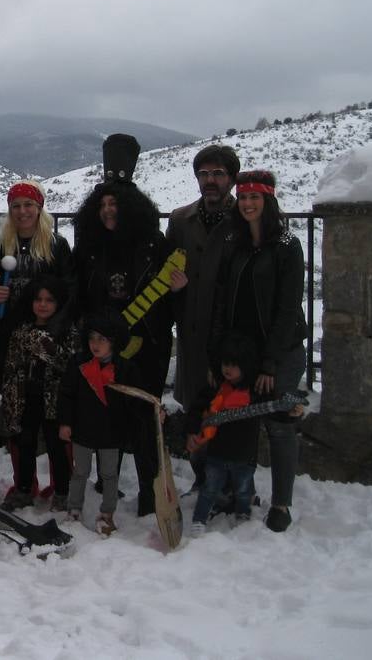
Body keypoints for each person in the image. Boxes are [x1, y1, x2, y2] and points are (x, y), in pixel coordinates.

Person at [73, 134, 179, 516]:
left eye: (114, 203)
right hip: (102, 344)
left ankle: (153, 490)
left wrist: (177, 288)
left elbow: (172, 292)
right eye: (102, 204)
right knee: (105, 413)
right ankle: (107, 482)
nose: (107, 211)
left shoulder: (153, 244)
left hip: (147, 343)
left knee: (146, 416)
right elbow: (81, 295)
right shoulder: (88, 246)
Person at [212, 169, 306, 533]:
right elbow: (223, 301)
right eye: (244, 197)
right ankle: (241, 491)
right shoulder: (235, 244)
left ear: (268, 202)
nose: (249, 203)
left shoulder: (286, 246)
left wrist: (270, 362)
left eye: (256, 197)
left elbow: (287, 309)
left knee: (281, 426)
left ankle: (281, 503)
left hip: (278, 352)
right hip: (242, 352)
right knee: (241, 424)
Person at [0, 178, 75, 498]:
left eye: (29, 205)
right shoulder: (0, 246)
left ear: (40, 209)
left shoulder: (56, 246)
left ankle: (61, 486)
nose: (23, 211)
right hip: (10, 342)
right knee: (17, 417)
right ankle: (25, 484)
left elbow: (68, 293)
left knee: (54, 418)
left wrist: (56, 331)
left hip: (48, 343)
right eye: (16, 206)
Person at [167, 144, 240, 491]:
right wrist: (174, 289)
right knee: (196, 407)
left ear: (231, 178)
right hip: (192, 330)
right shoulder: (181, 220)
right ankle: (202, 478)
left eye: (218, 174)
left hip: (229, 334)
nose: (210, 181)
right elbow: (167, 270)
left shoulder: (245, 217)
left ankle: (228, 483)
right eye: (204, 174)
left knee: (228, 407)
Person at [1, 275, 80, 511]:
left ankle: (63, 492)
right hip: (26, 397)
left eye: (49, 300)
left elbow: (69, 364)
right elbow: (11, 365)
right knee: (25, 444)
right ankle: (24, 489)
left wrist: (45, 346)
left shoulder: (67, 332)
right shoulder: (21, 330)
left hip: (56, 400)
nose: (43, 305)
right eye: (38, 299)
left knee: (57, 447)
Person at [58, 314, 132, 537]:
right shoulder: (78, 363)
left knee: (109, 474)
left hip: (111, 432)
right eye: (92, 338)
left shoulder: (124, 368)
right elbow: (66, 395)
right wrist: (65, 423)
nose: (95, 344)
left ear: (114, 341)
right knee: (80, 472)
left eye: (102, 339)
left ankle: (107, 514)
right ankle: (74, 509)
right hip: (83, 429)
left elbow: (137, 399)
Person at [185, 332, 263, 535]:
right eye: (225, 363)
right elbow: (195, 409)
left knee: (243, 491)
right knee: (209, 488)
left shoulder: (255, 392)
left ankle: (243, 515)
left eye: (233, 364)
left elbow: (276, 413)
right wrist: (193, 430)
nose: (227, 369)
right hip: (216, 454)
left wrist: (291, 413)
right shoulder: (215, 388)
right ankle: (199, 519)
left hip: (244, 455)